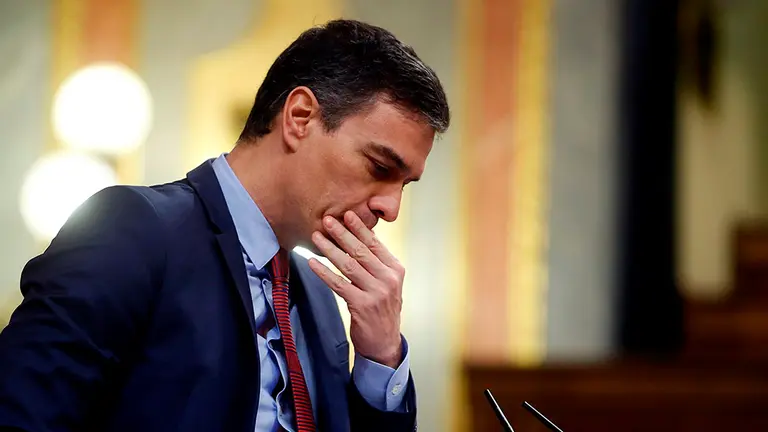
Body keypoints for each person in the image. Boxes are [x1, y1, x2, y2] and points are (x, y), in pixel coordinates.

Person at [0, 19, 450, 432]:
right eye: (378, 166)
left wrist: (381, 357)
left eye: (405, 184)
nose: (391, 207)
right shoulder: (133, 230)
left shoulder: (319, 296)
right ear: (300, 118)